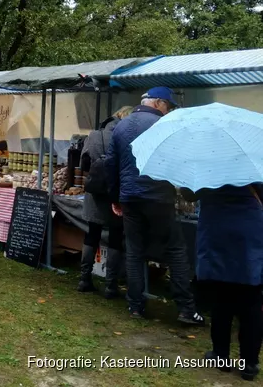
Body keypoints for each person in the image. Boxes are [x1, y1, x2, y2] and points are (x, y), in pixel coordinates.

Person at [106, 87, 204, 325]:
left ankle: (136, 306)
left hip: (130, 196)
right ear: (159, 103)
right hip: (158, 197)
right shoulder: (164, 126)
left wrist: (115, 197)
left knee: (135, 251)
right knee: (175, 250)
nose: (168, 110)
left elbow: (111, 164)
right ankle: (186, 310)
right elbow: (177, 162)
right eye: (168, 106)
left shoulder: (120, 126)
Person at [181, 184, 263, 381]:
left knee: (221, 296)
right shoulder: (257, 160)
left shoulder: (209, 159)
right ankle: (249, 363)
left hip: (217, 229)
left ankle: (220, 355)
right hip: (249, 230)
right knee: (251, 298)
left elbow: (190, 193)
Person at [77, 106, 133, 297]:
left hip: (95, 193)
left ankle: (84, 279)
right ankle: (111, 286)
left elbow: (83, 164)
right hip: (117, 193)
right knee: (116, 238)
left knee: (92, 234)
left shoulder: (94, 135)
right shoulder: (127, 137)